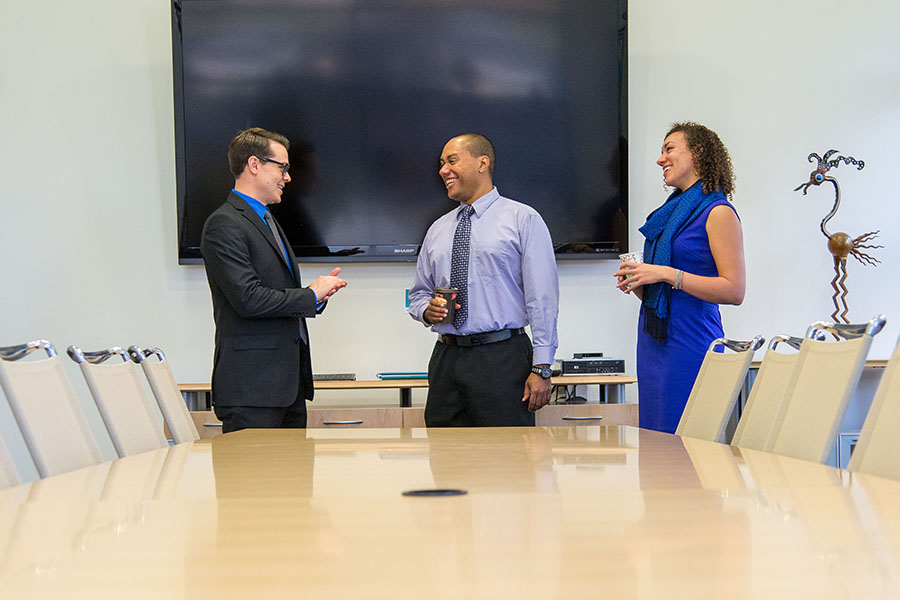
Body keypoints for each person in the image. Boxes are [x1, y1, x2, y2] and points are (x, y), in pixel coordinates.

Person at [201, 127, 347, 433]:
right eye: (282, 167)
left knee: (294, 482)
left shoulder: (268, 220)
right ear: (254, 165)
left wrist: (316, 297)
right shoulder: (224, 224)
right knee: (251, 482)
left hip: (286, 389)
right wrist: (309, 295)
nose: (288, 177)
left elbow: (276, 292)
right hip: (251, 391)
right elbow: (248, 298)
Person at [408, 133, 559, 426]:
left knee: (507, 461)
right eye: (441, 164)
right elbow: (418, 294)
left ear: (482, 163)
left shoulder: (523, 219)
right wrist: (426, 310)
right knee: (444, 460)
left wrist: (542, 367)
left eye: (451, 161)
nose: (442, 170)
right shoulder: (437, 229)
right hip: (446, 360)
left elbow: (542, 297)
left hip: (502, 359)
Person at [614, 122, 745, 434]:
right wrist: (639, 281)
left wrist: (664, 273)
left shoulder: (718, 212)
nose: (661, 159)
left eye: (669, 149)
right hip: (653, 339)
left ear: (697, 152)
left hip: (691, 341)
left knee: (686, 446)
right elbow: (663, 293)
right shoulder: (669, 214)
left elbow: (735, 290)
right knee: (655, 440)